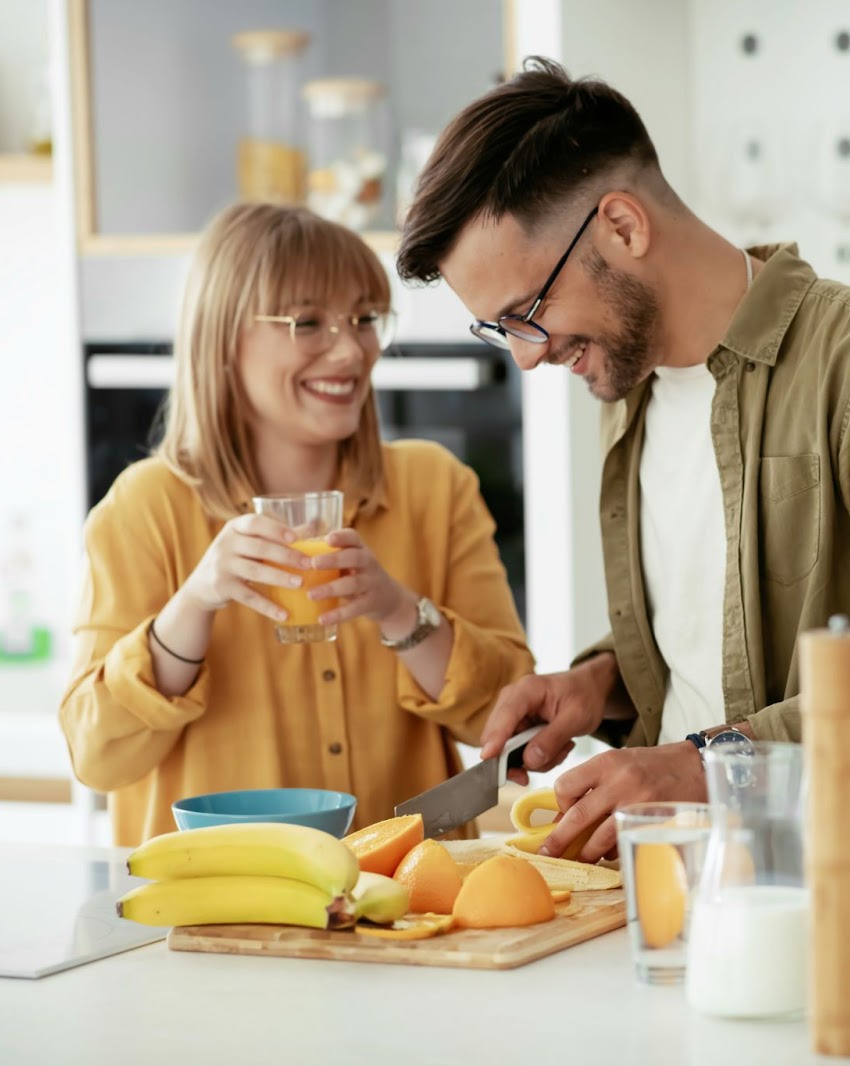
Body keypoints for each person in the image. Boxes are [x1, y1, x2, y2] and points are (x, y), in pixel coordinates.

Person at [398, 60, 850, 900]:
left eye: (526, 312)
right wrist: (602, 684)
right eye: (497, 329)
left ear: (621, 225)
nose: (527, 354)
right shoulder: (628, 393)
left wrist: (705, 768)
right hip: (692, 909)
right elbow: (721, 626)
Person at [60, 203, 533, 846]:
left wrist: (399, 611)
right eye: (307, 322)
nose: (349, 348)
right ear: (224, 338)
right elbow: (97, 755)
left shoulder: (434, 487)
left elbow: (511, 722)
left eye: (365, 319)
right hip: (221, 912)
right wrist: (195, 606)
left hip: (412, 911)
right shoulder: (145, 508)